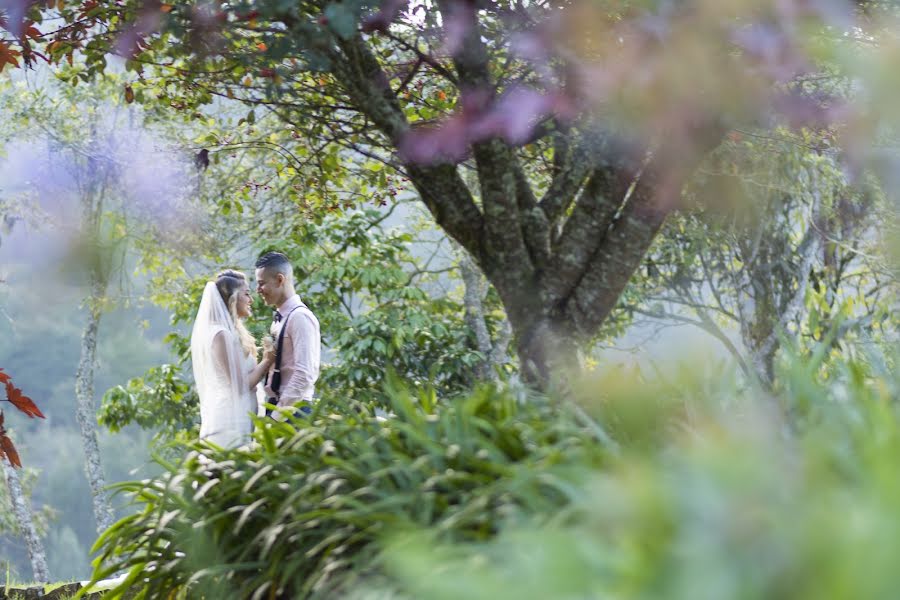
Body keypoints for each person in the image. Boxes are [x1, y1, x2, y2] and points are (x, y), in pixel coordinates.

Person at [191, 270, 274, 448]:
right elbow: (240, 386)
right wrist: (268, 360)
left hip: (240, 417)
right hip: (229, 421)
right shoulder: (220, 334)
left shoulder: (229, 332)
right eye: (247, 294)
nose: (251, 300)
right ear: (233, 299)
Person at [254, 252, 321, 419]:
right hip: (277, 406)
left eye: (261, 284)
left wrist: (278, 416)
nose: (258, 290)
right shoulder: (279, 319)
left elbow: (304, 374)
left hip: (292, 411)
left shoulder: (300, 317)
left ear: (279, 280)